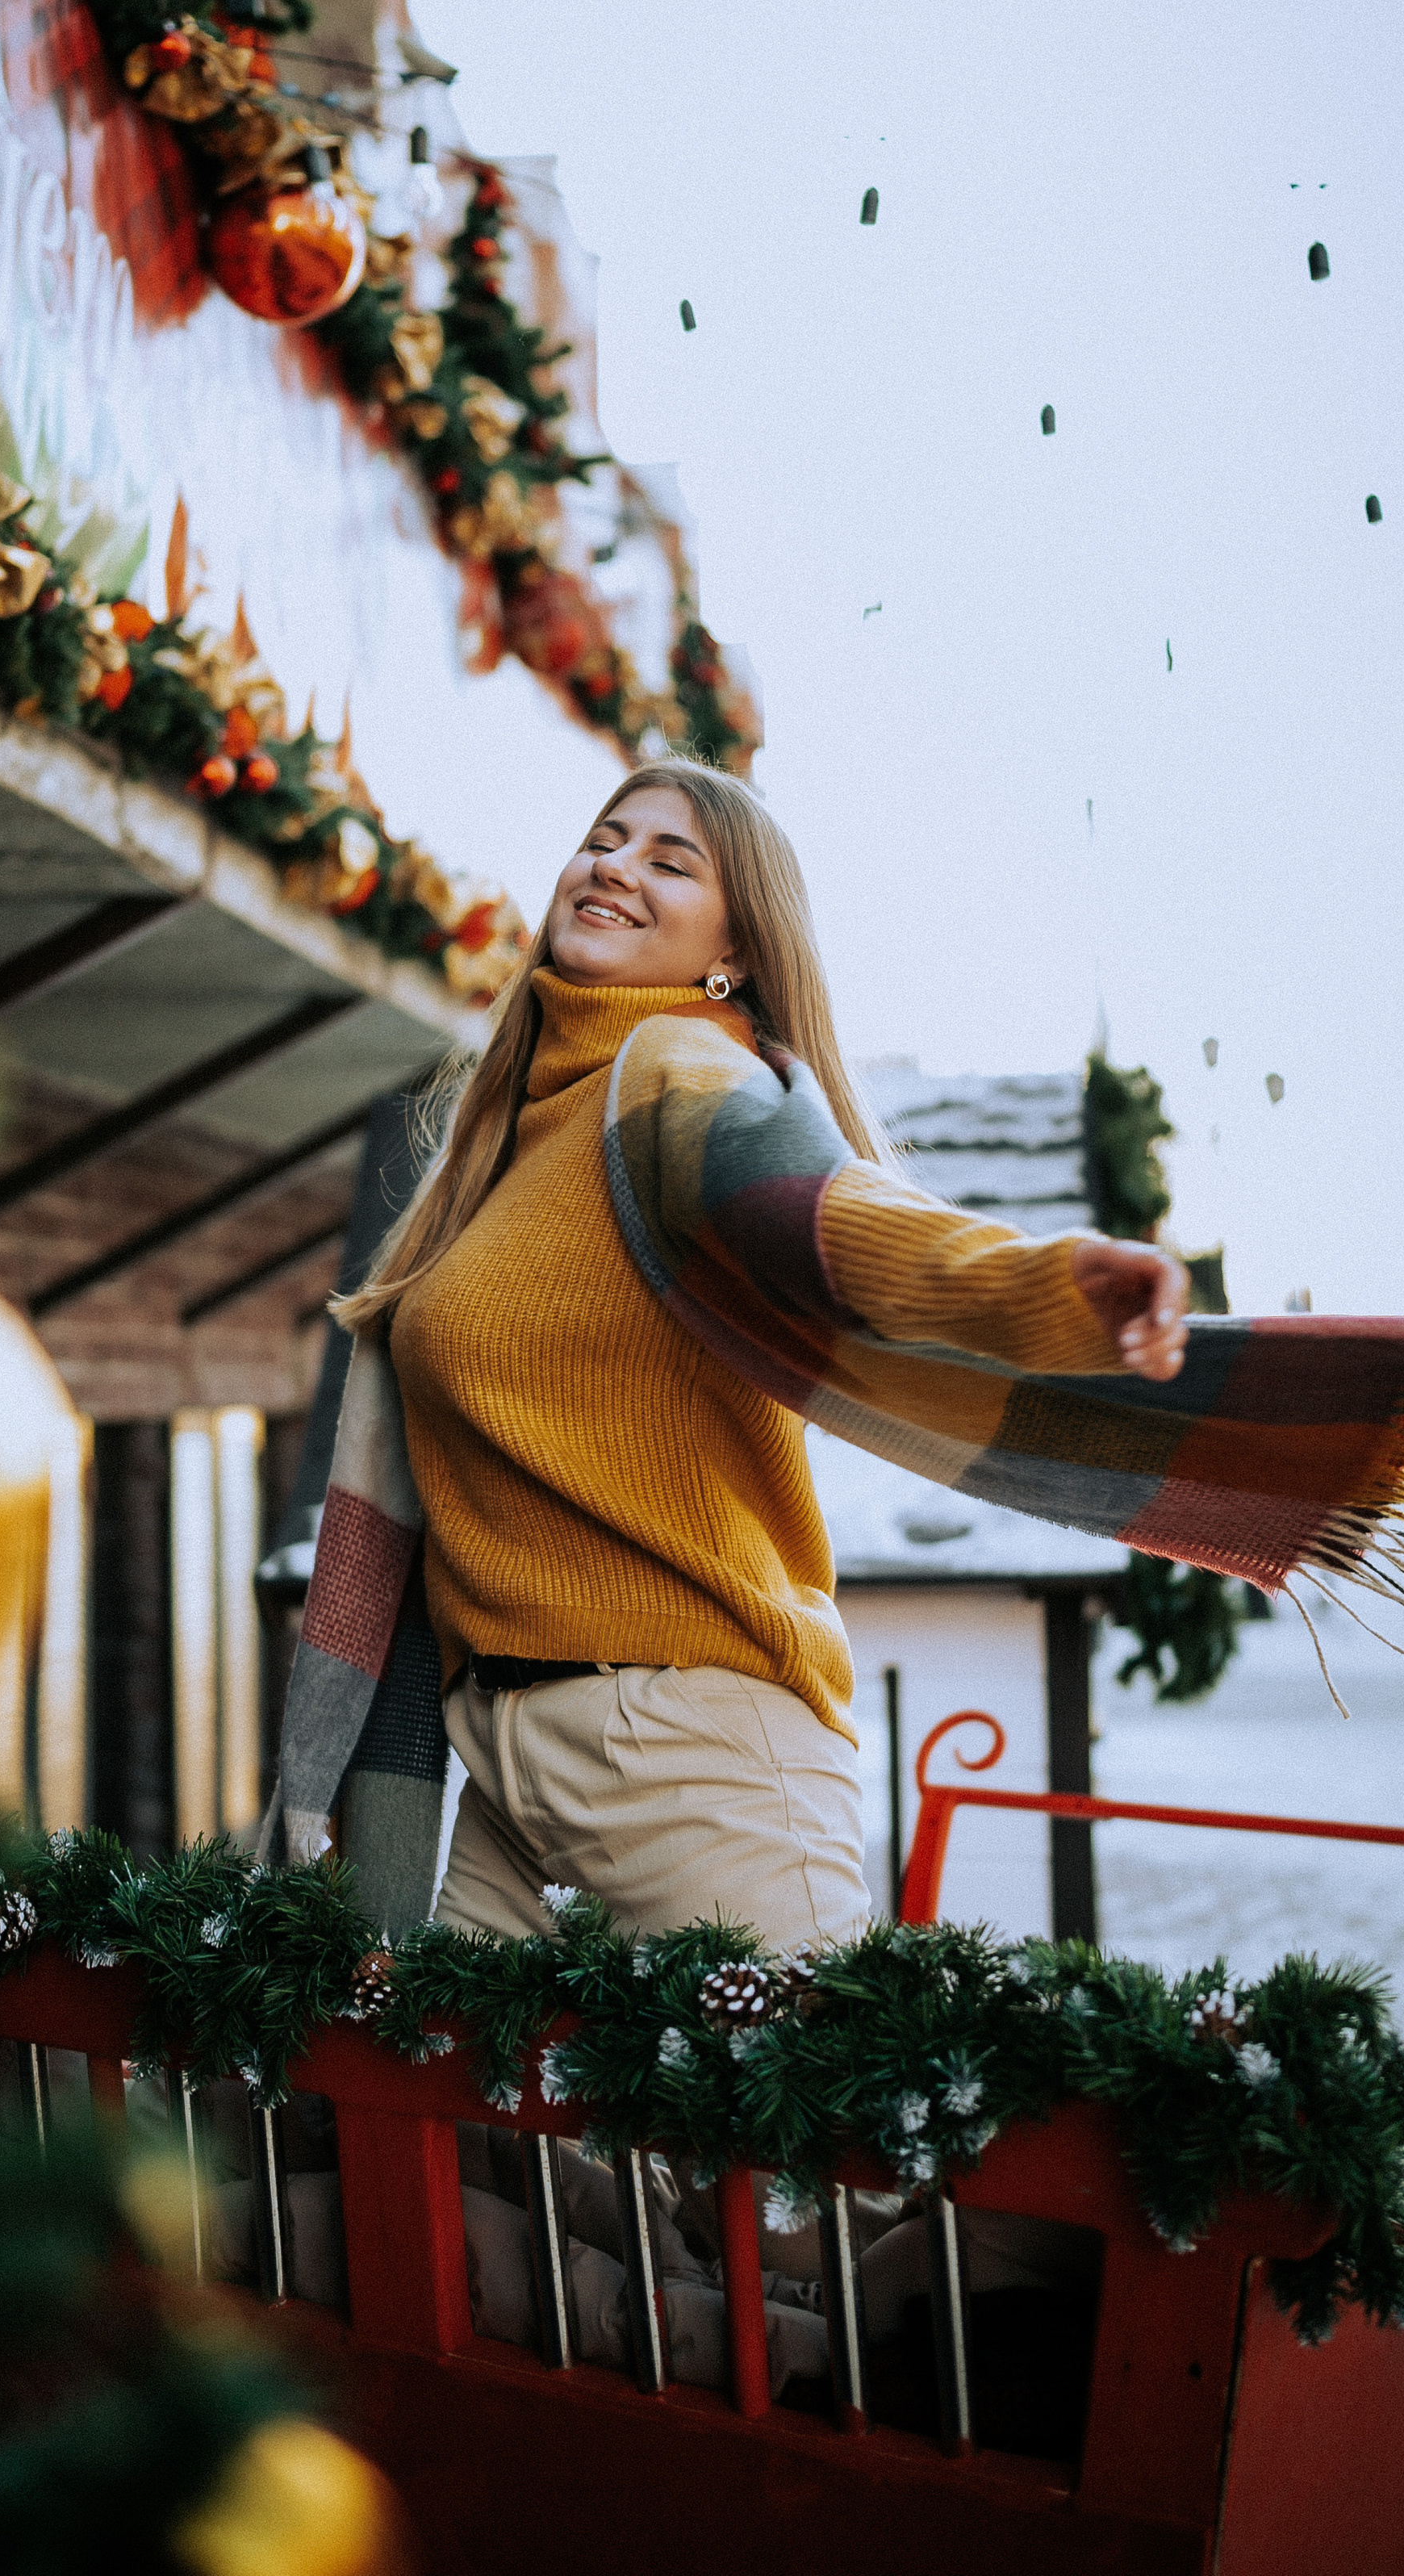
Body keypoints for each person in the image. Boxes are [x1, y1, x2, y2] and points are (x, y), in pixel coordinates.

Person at [331, 759, 1187, 1955]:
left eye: (670, 861)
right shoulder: (510, 1140)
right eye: (604, 839)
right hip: (507, 1755)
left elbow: (826, 1216)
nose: (614, 867)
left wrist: (1044, 1285)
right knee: (418, 2075)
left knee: (803, 2087)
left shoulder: (678, 1071)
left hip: (687, 1745)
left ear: (733, 950)